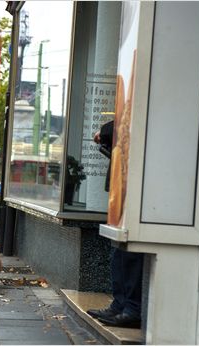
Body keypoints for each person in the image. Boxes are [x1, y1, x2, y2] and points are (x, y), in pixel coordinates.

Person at [87, 120, 144, 328]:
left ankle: (130, 308)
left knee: (127, 247)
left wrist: (104, 132)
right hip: (124, 178)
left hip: (134, 180)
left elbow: (124, 119)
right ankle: (121, 304)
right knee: (118, 246)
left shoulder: (138, 97)